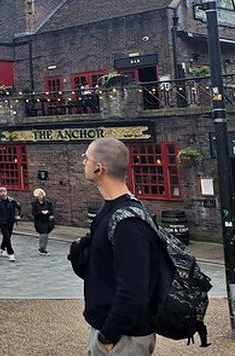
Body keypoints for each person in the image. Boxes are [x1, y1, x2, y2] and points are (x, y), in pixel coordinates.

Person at [77, 137, 159, 356]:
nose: (82, 162)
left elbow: (133, 289)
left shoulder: (128, 222)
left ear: (99, 168)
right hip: (110, 331)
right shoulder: (109, 211)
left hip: (124, 338)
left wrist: (109, 335)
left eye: (86, 158)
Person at [0, 186, 22, 262]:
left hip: (10, 221)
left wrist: (19, 215)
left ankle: (2, 247)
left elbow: (19, 207)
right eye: (1, 192)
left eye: (4, 191)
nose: (3, 193)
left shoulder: (11, 201)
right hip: (2, 222)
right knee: (6, 236)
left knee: (8, 236)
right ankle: (11, 253)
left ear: (7, 192)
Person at [31, 188, 55, 255]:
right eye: (39, 196)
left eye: (41, 195)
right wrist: (41, 212)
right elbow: (34, 212)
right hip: (39, 221)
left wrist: (47, 212)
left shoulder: (47, 203)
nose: (40, 197)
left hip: (46, 220)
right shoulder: (34, 204)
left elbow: (51, 210)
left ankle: (43, 247)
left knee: (45, 234)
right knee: (43, 234)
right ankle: (42, 248)